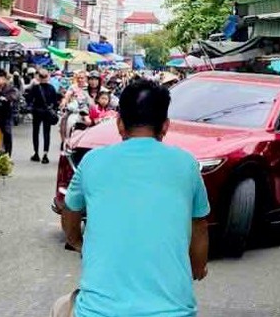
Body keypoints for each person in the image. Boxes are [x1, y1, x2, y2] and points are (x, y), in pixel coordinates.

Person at [57, 78, 209, 317]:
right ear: (165, 126)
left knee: (60, 307)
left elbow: (70, 212)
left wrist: (77, 242)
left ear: (119, 124)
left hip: (98, 313)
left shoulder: (93, 161)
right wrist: (198, 267)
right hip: (174, 312)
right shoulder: (186, 163)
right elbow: (199, 225)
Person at [26, 69, 59, 163]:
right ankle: (45, 154)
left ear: (38, 77)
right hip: (47, 113)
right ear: (48, 77)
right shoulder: (51, 88)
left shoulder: (35, 88)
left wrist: (30, 108)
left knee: (35, 133)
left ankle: (36, 153)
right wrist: (53, 110)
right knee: (46, 133)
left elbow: (29, 100)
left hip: (37, 112)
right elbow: (55, 102)